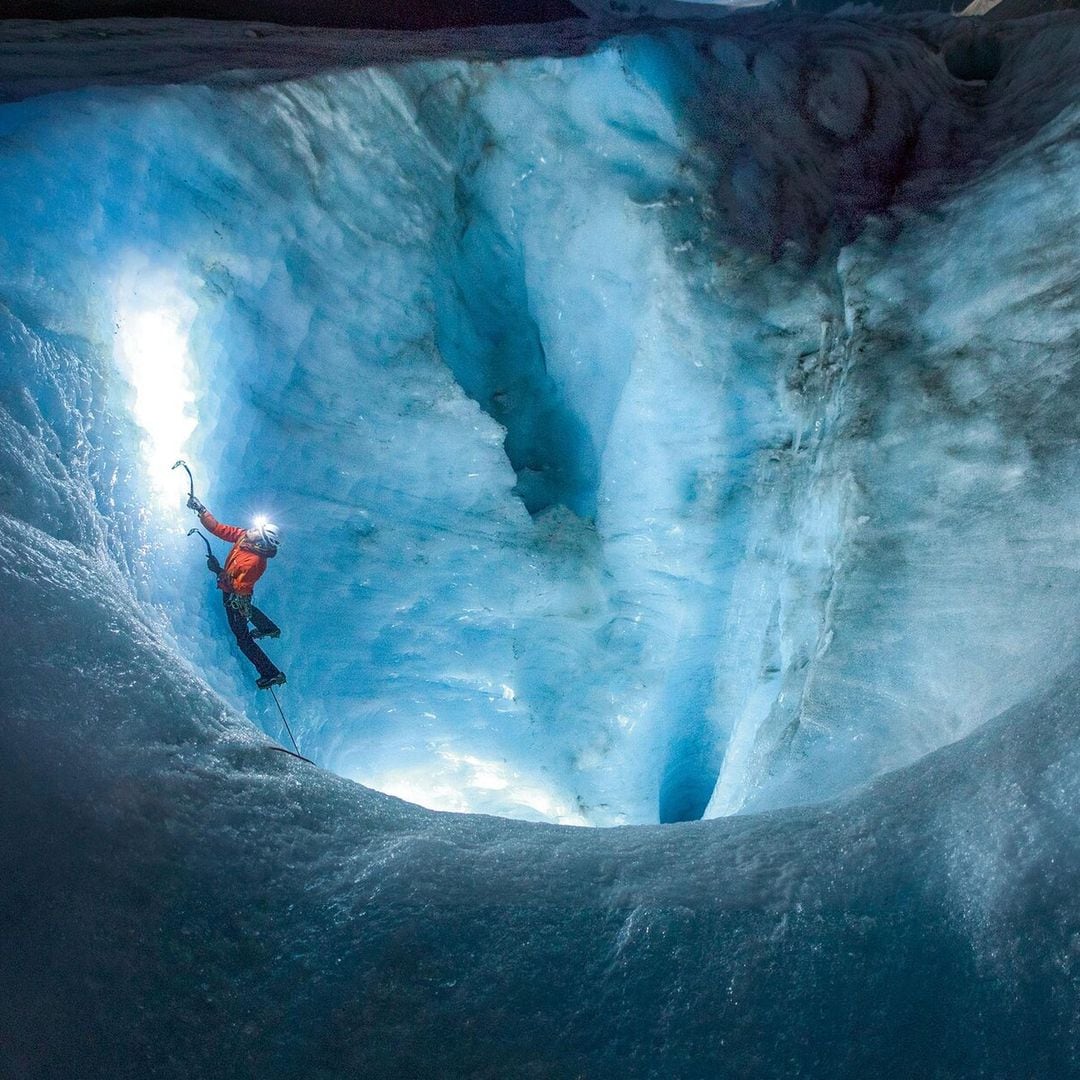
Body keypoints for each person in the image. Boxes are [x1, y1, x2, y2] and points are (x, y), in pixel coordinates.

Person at [187, 495, 286, 690]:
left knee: (243, 639)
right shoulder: (245, 538)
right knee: (246, 610)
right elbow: (219, 529)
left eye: (258, 531)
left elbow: (236, 587)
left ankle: (271, 673)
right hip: (238, 595)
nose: (253, 530)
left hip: (236, 597)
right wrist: (201, 510)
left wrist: (217, 570)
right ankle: (268, 628)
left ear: (264, 541)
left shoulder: (255, 563)